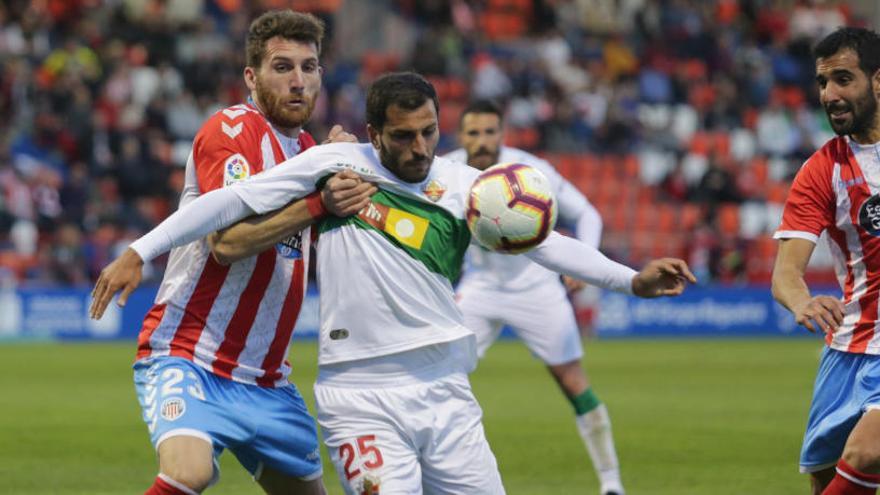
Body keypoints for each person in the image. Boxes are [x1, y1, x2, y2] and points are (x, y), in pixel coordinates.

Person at [91, 72, 696, 495]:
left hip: (445, 389)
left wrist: (630, 279)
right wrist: (139, 251)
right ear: (373, 133)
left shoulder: (463, 186)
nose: (420, 148)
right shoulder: (336, 166)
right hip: (359, 395)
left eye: (429, 132)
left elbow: (542, 242)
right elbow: (226, 203)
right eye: (404, 136)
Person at [121, 10, 374, 495]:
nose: (298, 81)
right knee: (186, 473)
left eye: (309, 67)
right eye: (283, 67)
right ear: (251, 78)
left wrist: (345, 166)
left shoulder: (307, 152)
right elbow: (226, 244)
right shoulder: (233, 130)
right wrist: (319, 201)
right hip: (191, 355)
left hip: (266, 378)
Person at [444, 99, 624, 495]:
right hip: (479, 288)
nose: (482, 141)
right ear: (461, 136)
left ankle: (611, 484)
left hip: (537, 287)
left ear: (502, 133)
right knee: (439, 376)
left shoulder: (531, 170)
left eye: (490, 132)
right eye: (473, 133)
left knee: (572, 380)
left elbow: (588, 214)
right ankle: (440, 474)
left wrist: (582, 265)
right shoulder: (446, 170)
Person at [772, 27, 880, 495]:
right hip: (847, 348)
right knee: (828, 477)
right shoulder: (821, 170)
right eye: (822, 83)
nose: (830, 95)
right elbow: (786, 273)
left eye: (843, 79)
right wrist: (801, 303)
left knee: (867, 453)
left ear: (878, 81)